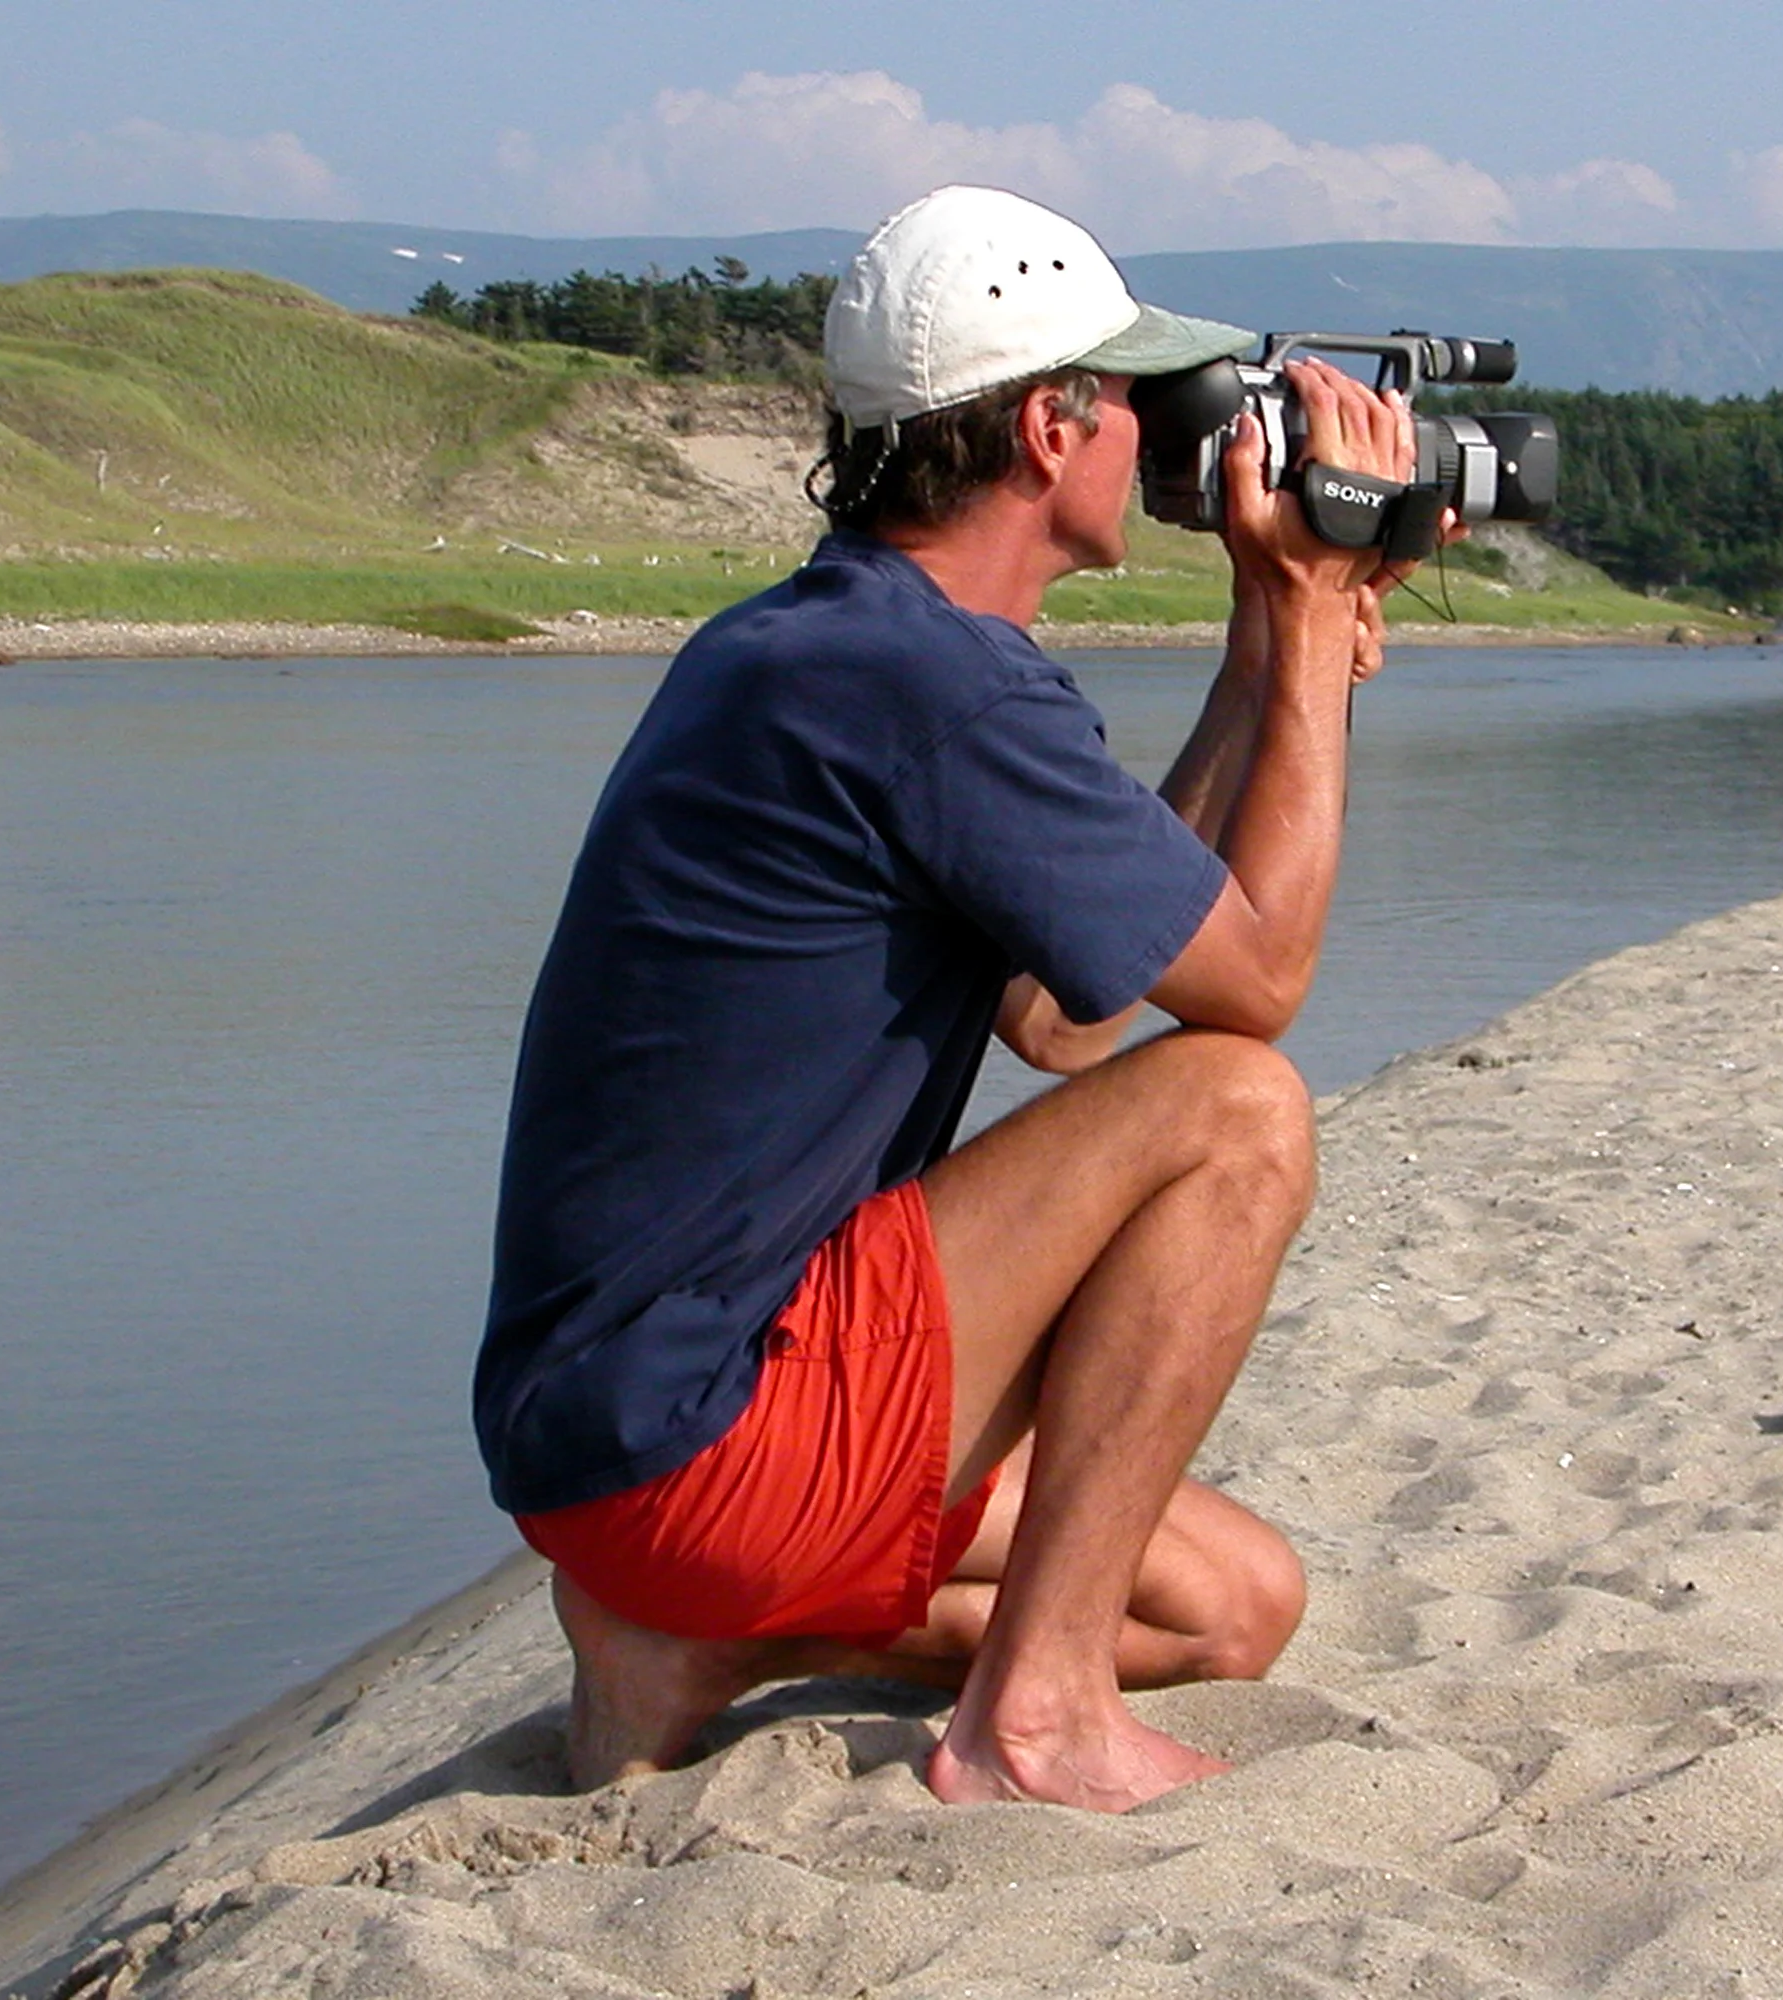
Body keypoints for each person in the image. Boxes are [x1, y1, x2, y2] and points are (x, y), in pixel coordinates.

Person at [473, 185, 1438, 1815]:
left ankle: (702, 1648)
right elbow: (1257, 985)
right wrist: (1310, 605)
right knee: (1241, 1113)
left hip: (614, 1435)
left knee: (1231, 1609)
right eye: (1135, 398)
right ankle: (1034, 1715)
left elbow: (1068, 1024)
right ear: (1052, 428)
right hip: (709, 1426)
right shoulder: (932, 685)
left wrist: (1266, 664)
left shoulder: (824, 648)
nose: (1166, 438)